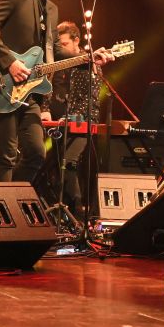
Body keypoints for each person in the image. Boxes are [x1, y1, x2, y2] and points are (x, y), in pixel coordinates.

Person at [0, 0, 110, 182]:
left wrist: (88, 58)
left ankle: (12, 197)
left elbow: (55, 51)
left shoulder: (52, 9)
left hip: (31, 93)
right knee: (6, 156)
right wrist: (10, 63)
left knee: (37, 154)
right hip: (4, 85)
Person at [45, 21, 97, 214]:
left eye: (65, 44)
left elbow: (89, 101)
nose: (61, 50)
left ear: (76, 41)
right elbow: (46, 88)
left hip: (80, 122)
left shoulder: (87, 63)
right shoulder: (56, 63)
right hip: (54, 125)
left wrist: (71, 118)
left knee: (69, 162)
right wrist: (44, 109)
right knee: (43, 163)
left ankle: (78, 211)